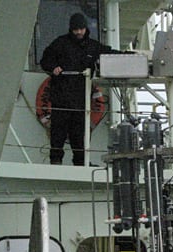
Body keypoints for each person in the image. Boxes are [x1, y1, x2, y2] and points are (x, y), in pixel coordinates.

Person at [40, 13, 119, 166]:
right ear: (71, 29)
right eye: (76, 29)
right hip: (61, 99)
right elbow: (46, 60)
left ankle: (81, 164)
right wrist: (52, 68)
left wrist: (130, 56)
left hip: (80, 101)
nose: (79, 32)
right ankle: (55, 163)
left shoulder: (92, 46)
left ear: (85, 28)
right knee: (58, 135)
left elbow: (109, 53)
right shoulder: (60, 44)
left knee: (79, 137)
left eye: (81, 29)